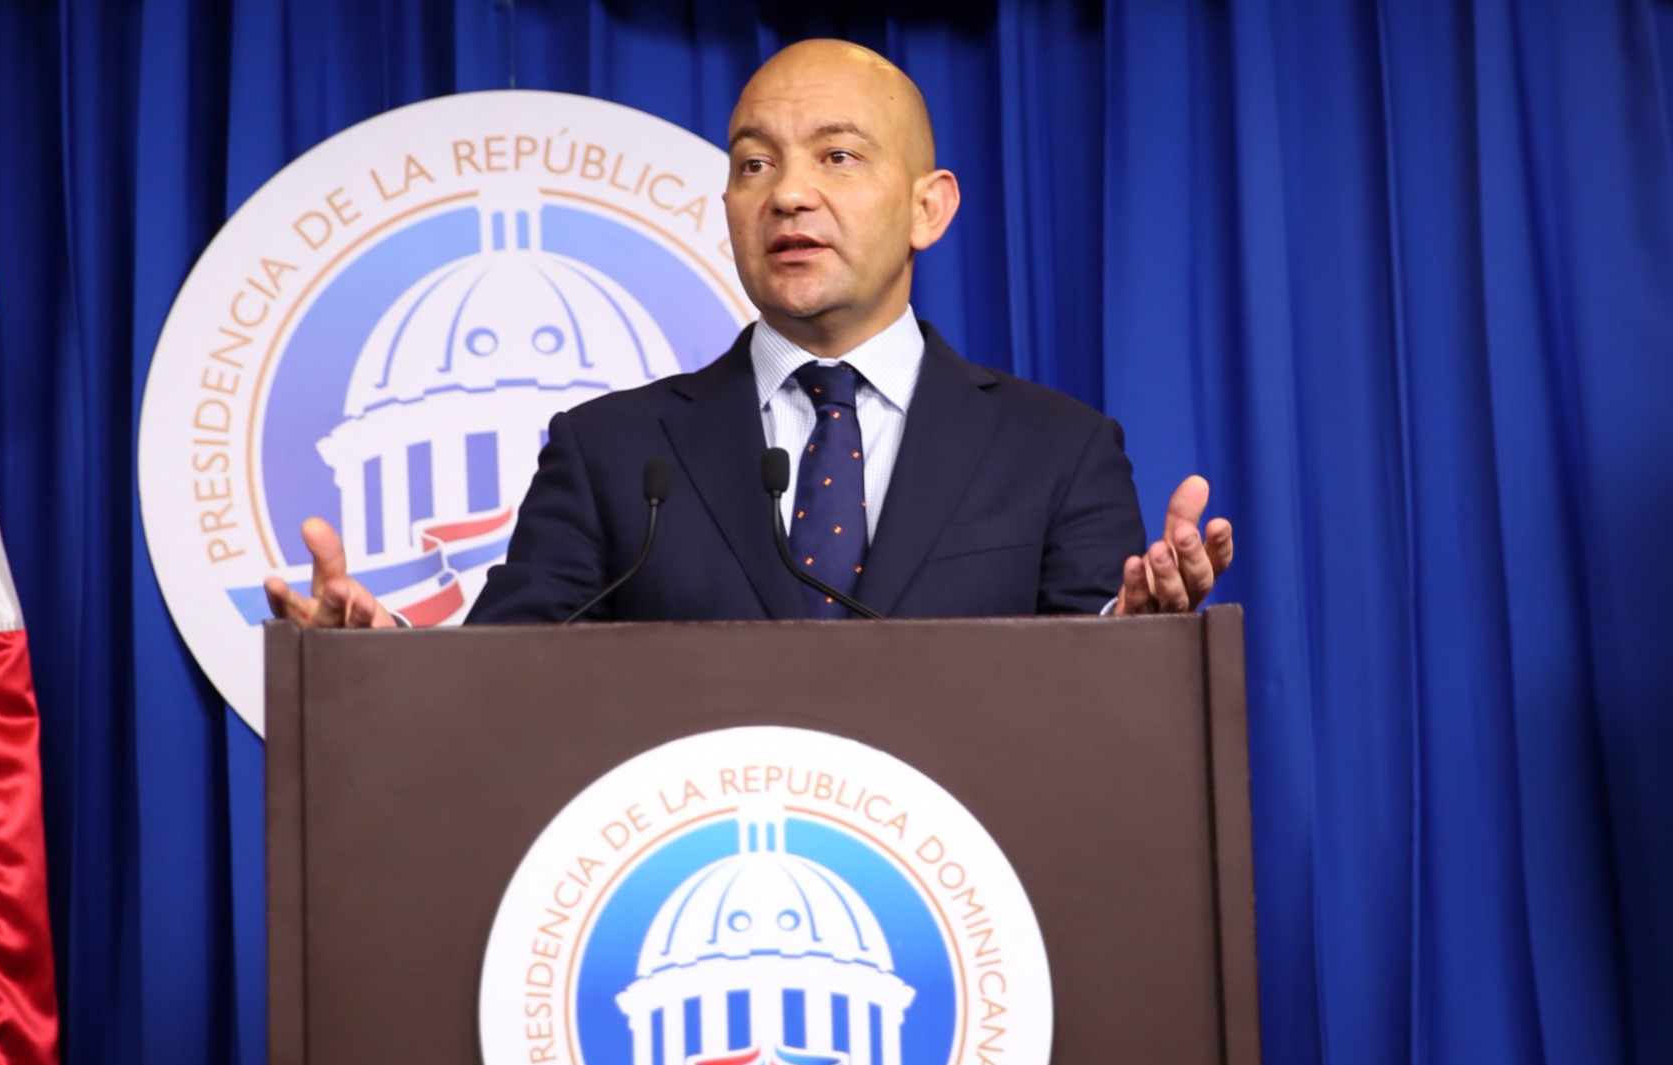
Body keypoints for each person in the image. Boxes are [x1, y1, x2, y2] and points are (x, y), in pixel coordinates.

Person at [265, 39, 1232, 630]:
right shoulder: (612, 454)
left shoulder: (1058, 451)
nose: (789, 193)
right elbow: (503, 688)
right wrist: (385, 665)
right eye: (753, 164)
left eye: (838, 156)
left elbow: (1100, 712)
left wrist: (1135, 635)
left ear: (928, 208)